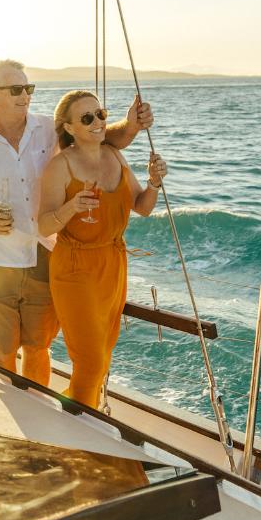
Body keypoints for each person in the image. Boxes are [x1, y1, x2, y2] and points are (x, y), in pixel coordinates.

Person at [0, 59, 151, 385]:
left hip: (43, 255)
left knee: (38, 348)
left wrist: (132, 125)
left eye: (28, 88)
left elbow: (98, 135)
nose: (25, 95)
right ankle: (9, 418)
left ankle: (36, 410)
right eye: (15, 90)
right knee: (4, 348)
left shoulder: (47, 129)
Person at [37, 89, 167, 409]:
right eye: (86, 118)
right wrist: (72, 207)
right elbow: (43, 226)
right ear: (69, 128)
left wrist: (153, 183)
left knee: (102, 357)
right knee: (91, 360)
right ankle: (78, 430)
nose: (97, 122)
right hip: (75, 267)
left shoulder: (115, 156)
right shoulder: (60, 166)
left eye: (100, 114)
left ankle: (80, 415)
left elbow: (142, 207)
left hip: (114, 265)